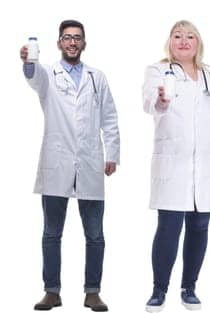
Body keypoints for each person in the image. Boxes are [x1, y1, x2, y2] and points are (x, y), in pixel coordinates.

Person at [21, 19, 120, 313]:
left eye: (77, 38)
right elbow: (33, 76)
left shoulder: (96, 77)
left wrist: (112, 153)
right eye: (67, 38)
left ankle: (93, 292)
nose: (72, 42)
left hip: (89, 164)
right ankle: (51, 292)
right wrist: (28, 61)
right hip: (57, 162)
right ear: (59, 43)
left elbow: (110, 117)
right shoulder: (48, 74)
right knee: (52, 233)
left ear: (84, 43)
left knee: (95, 235)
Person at [140, 20, 210, 313]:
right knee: (168, 228)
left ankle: (189, 287)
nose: (183, 41)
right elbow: (149, 103)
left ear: (199, 43)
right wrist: (159, 101)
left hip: (208, 164)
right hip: (173, 165)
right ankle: (159, 290)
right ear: (169, 41)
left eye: (190, 36)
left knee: (199, 226)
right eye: (177, 36)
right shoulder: (158, 71)